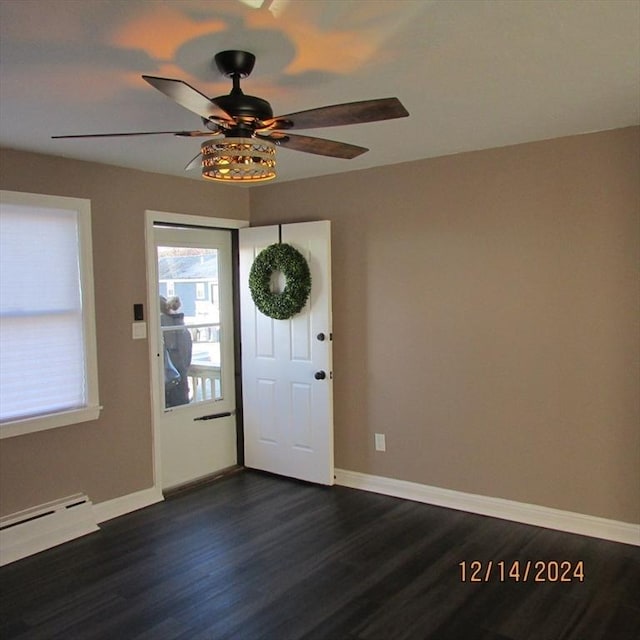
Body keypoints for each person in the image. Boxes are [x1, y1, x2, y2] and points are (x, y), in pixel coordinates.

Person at [160, 295, 193, 407]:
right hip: (182, 379)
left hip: (169, 383)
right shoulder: (180, 324)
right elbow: (187, 355)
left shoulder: (161, 325)